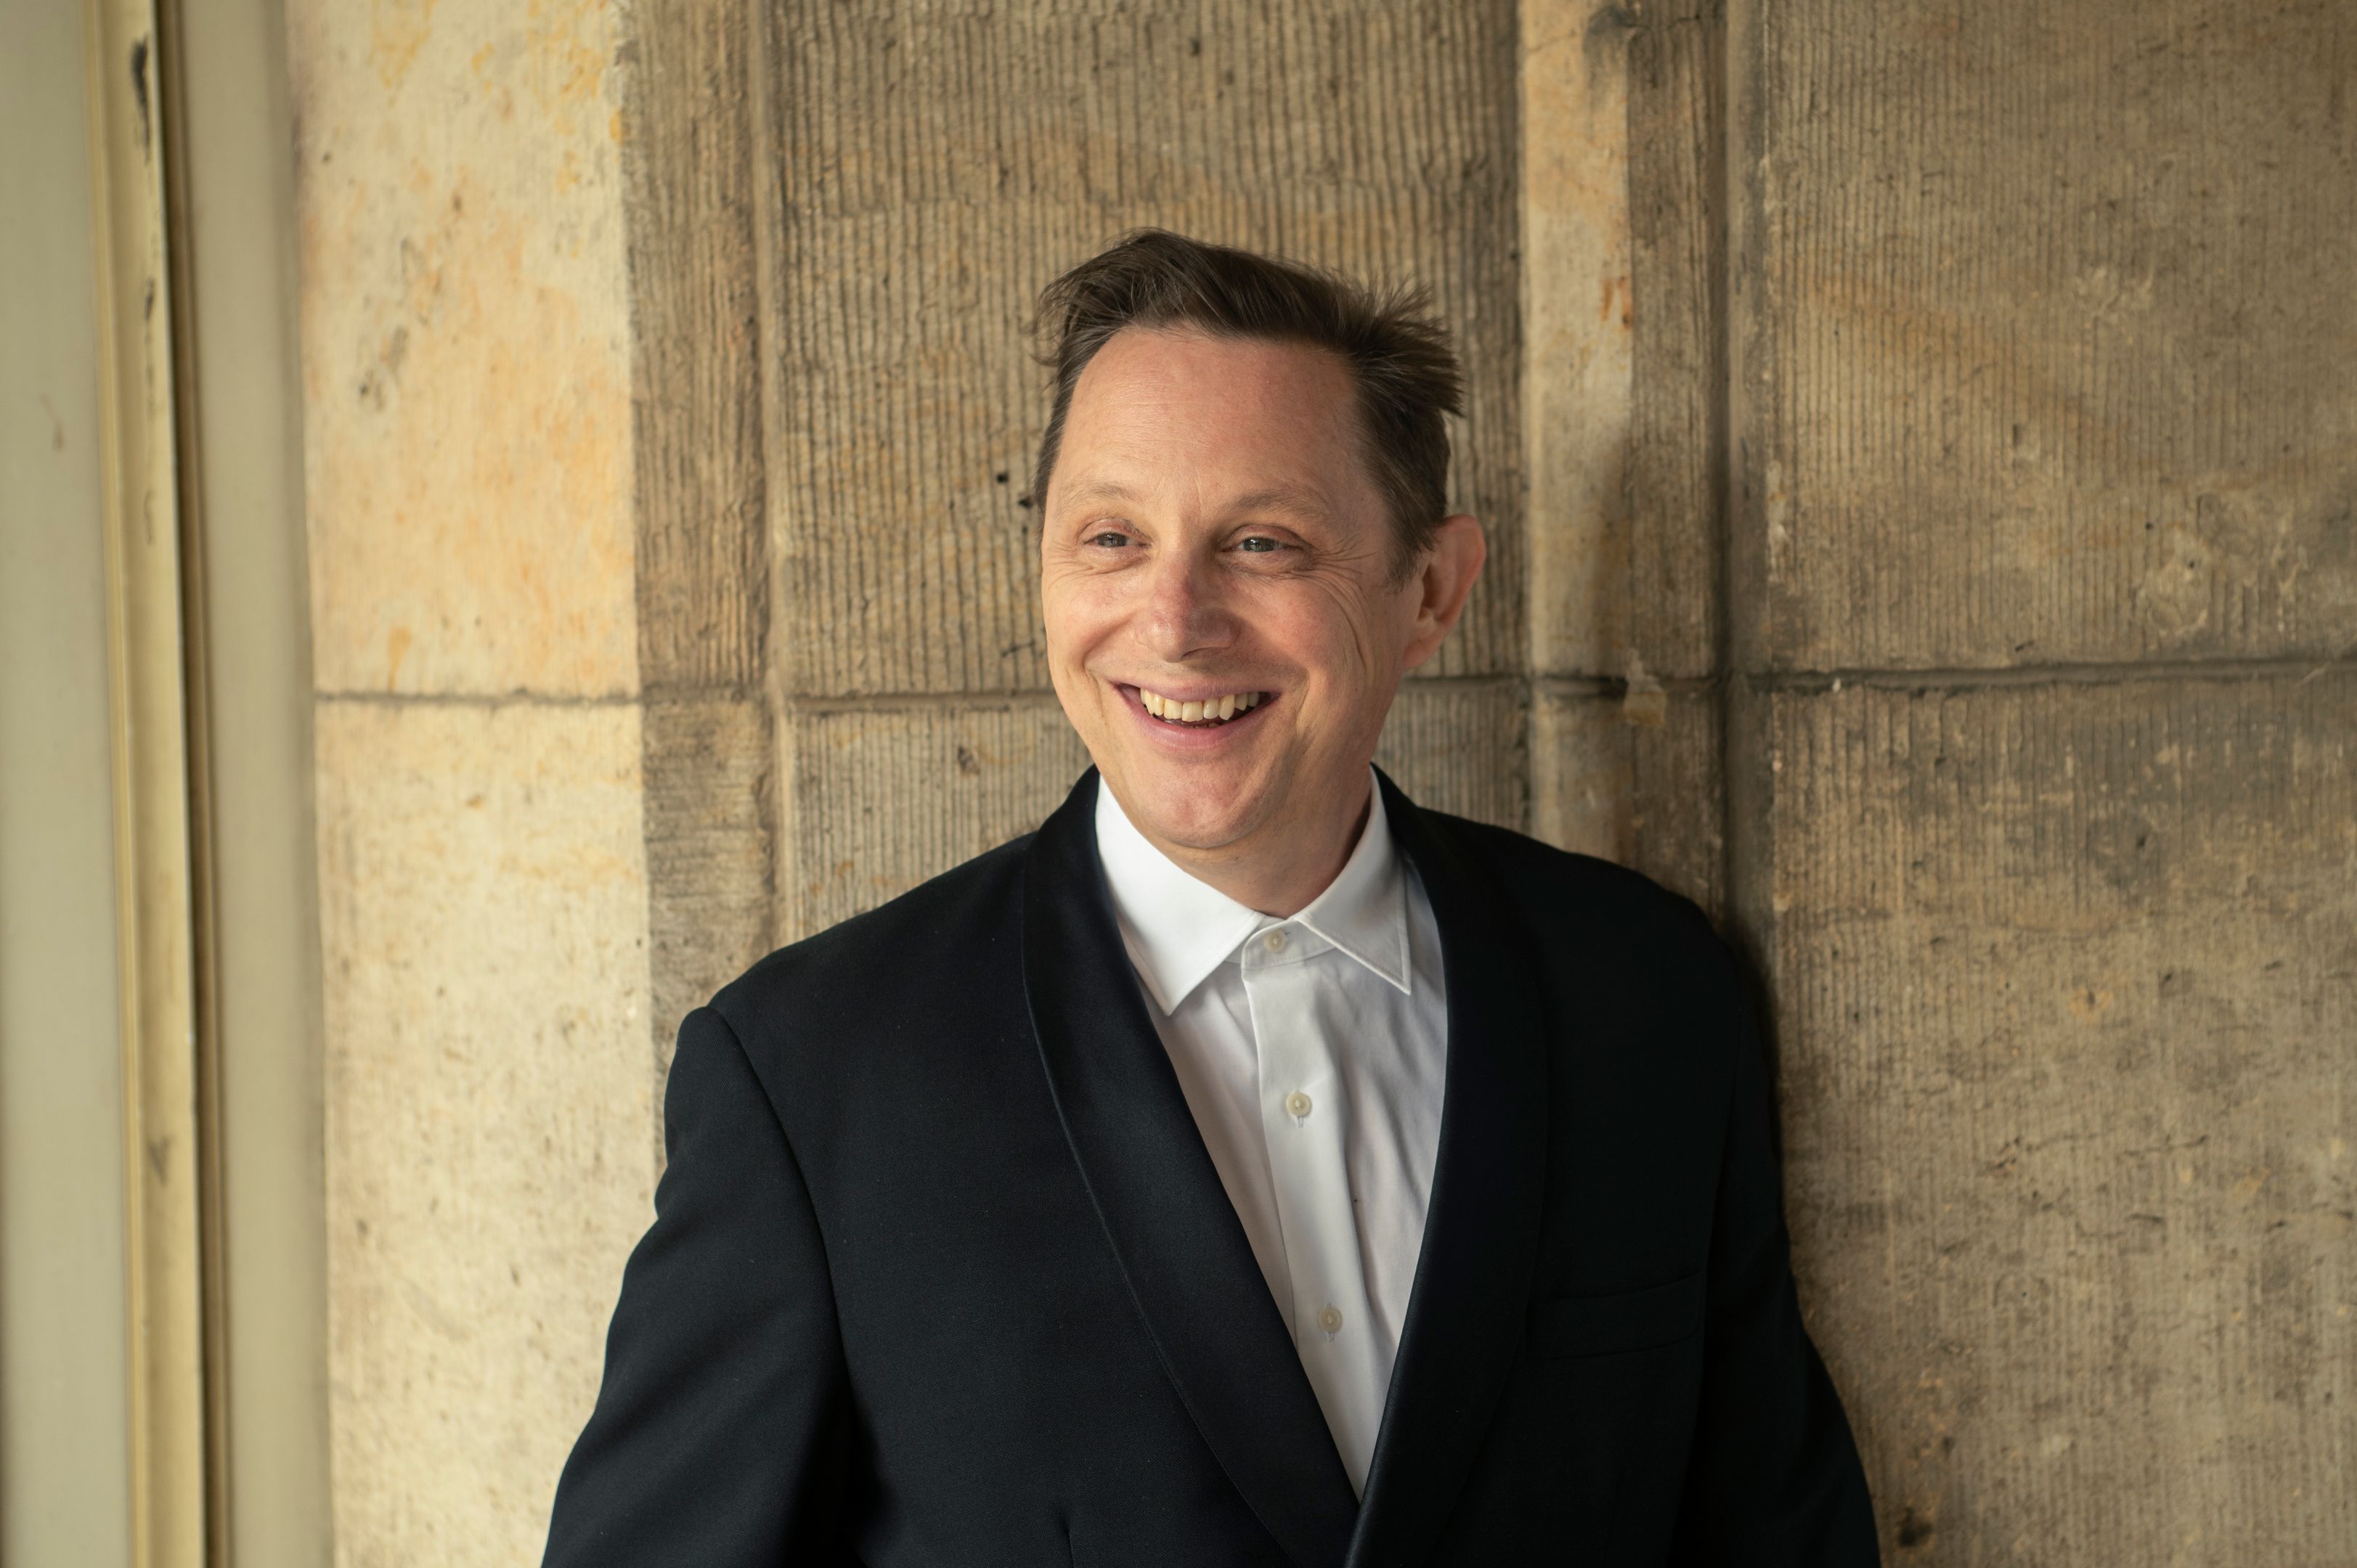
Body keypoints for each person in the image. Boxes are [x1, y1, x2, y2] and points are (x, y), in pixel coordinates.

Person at [542, 230, 1878, 1564]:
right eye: (1112, 537)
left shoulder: (1646, 993)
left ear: (1430, 589)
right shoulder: (810, 1076)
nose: (1175, 620)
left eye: (1261, 542)